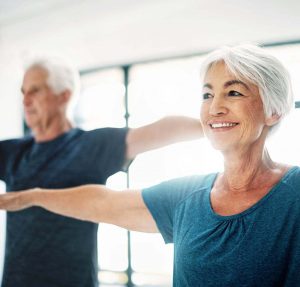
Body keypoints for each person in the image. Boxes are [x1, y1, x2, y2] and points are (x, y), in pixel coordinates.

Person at [1, 44, 298, 287]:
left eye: (233, 92)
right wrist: (28, 196)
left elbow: (159, 130)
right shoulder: (188, 196)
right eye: (207, 95)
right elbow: (104, 202)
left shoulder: (294, 191)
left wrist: (222, 125)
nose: (215, 106)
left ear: (274, 110)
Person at [0, 57, 203, 287]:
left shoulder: (89, 146)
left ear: (64, 95)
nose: (25, 100)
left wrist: (214, 127)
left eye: (35, 90)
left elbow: (159, 130)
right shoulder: (14, 152)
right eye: (23, 91)